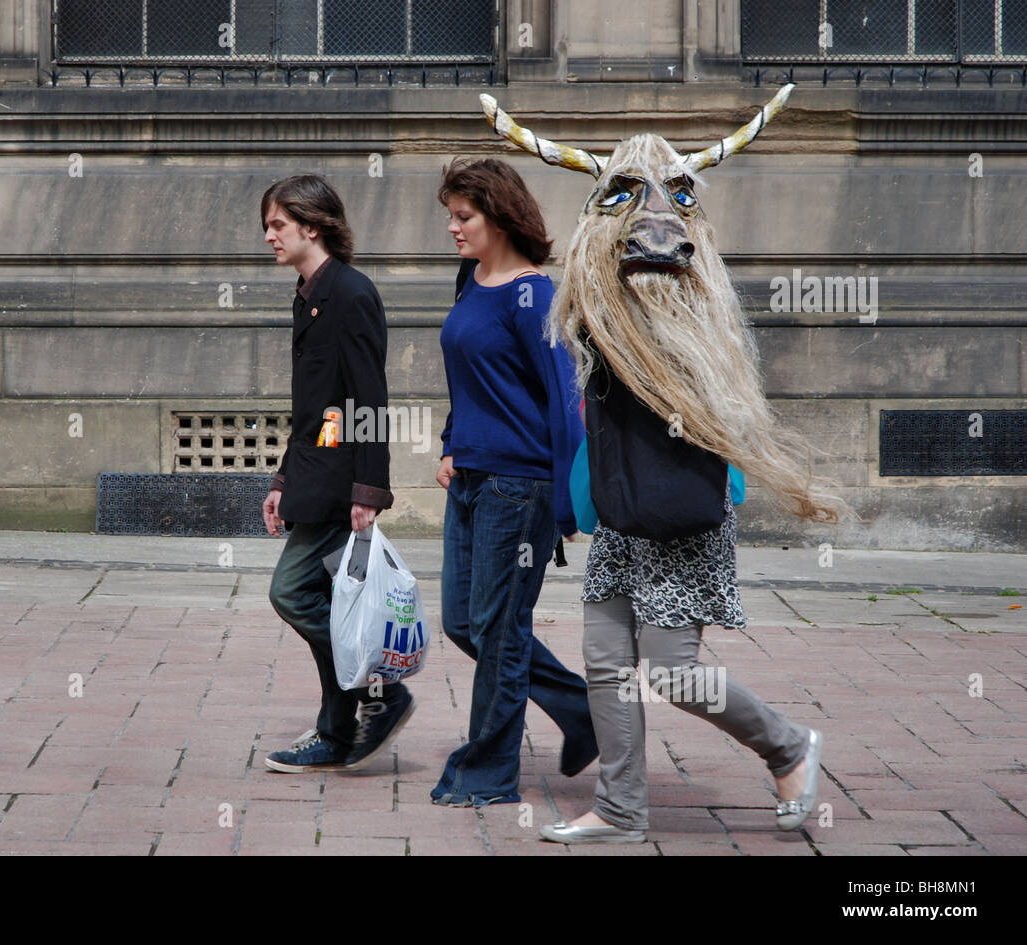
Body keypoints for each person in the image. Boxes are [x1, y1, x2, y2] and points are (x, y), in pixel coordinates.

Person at [537, 141, 845, 843]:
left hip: (681, 514)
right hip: (622, 511)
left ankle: (789, 745)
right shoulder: (597, 305)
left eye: (667, 199)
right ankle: (619, 809)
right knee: (606, 660)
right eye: (625, 199)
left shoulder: (698, 321)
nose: (648, 223)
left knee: (672, 671)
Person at [431, 157, 598, 807]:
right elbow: (466, 378)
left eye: (463, 215)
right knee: (465, 622)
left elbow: (565, 398)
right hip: (470, 479)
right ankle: (584, 710)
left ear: (498, 218)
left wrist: (566, 504)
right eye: (450, 214)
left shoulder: (534, 296)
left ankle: (490, 771)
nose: (452, 227)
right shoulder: (468, 280)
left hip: (517, 488)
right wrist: (451, 444)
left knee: (499, 631)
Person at [259, 174, 415, 773]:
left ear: (312, 225)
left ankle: (380, 695)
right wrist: (281, 481)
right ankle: (339, 728)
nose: (269, 236)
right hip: (315, 479)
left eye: (278, 224)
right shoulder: (308, 291)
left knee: (292, 592)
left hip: (341, 486)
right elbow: (316, 411)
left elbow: (367, 401)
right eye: (268, 226)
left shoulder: (350, 293)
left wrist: (369, 492)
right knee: (329, 606)